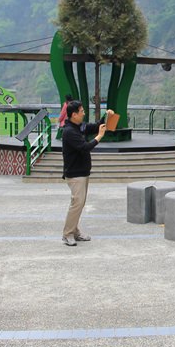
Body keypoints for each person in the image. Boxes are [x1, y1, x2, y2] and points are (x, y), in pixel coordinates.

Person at [60, 100, 113, 246]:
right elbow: (85, 147)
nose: (84, 113)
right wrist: (99, 136)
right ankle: (67, 234)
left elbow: (95, 126)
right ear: (74, 115)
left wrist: (106, 116)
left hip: (83, 172)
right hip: (75, 174)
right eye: (82, 111)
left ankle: (75, 231)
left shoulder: (79, 126)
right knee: (77, 204)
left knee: (80, 203)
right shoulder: (69, 132)